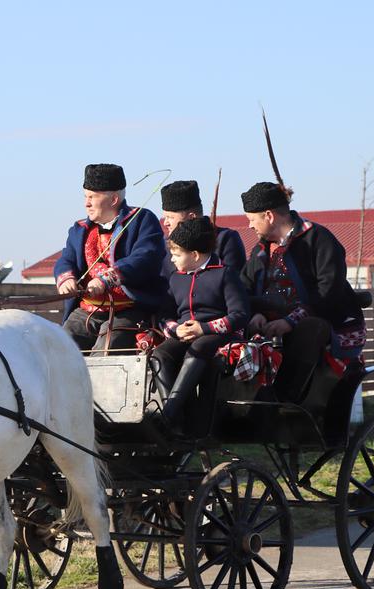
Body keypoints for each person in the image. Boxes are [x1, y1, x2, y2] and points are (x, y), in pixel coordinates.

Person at [239, 182, 366, 401]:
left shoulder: (319, 239)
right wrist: (255, 313)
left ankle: (284, 400)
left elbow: (330, 290)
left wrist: (290, 320)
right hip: (271, 323)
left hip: (326, 321)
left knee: (309, 328)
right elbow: (244, 287)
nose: (249, 226)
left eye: (252, 219)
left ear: (268, 215)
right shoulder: (260, 250)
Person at [54, 164, 167, 351]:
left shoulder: (142, 220)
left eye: (92, 197)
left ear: (113, 199)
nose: (86, 203)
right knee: (61, 347)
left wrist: (108, 278)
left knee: (106, 348)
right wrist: (66, 278)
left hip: (129, 310)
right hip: (87, 310)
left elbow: (145, 257)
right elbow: (66, 259)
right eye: (85, 197)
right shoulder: (79, 229)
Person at [152, 216, 249, 431]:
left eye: (176, 254)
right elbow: (163, 315)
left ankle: (168, 416)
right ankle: (175, 417)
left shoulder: (224, 274)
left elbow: (239, 314)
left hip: (219, 335)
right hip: (184, 334)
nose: (172, 260)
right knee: (160, 354)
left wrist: (203, 328)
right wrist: (175, 329)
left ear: (195, 254)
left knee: (199, 347)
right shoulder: (176, 278)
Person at [159, 180, 247, 275]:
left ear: (192, 217)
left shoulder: (225, 239)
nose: (165, 223)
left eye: (170, 217)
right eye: (165, 217)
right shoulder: (168, 245)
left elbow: (234, 280)